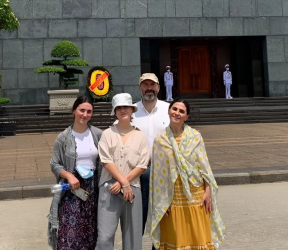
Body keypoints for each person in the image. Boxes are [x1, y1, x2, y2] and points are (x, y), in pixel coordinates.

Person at [148, 100, 225, 250]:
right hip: (172, 198)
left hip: (196, 196)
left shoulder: (195, 136)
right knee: (176, 239)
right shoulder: (160, 140)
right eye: (174, 109)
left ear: (186, 117)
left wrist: (208, 191)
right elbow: (157, 176)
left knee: (197, 237)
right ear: (169, 111)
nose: (177, 113)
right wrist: (160, 202)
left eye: (181, 111)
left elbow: (205, 168)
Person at [48, 96, 104, 250]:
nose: (85, 114)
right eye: (82, 110)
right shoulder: (63, 137)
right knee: (69, 233)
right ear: (74, 111)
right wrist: (69, 175)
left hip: (92, 190)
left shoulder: (98, 134)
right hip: (72, 190)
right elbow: (54, 163)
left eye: (89, 111)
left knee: (90, 233)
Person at [96, 93, 151, 250]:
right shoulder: (107, 134)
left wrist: (125, 183)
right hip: (109, 188)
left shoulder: (140, 135)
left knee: (133, 236)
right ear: (114, 111)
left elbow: (142, 164)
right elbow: (106, 161)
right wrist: (123, 182)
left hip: (133, 189)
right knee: (105, 236)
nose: (122, 110)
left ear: (132, 109)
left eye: (125, 107)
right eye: (118, 108)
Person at [133, 73, 171, 234]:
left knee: (163, 217)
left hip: (164, 171)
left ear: (158, 88)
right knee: (137, 217)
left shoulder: (169, 109)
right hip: (138, 172)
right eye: (145, 85)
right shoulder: (131, 111)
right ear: (140, 88)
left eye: (152, 85)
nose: (149, 88)